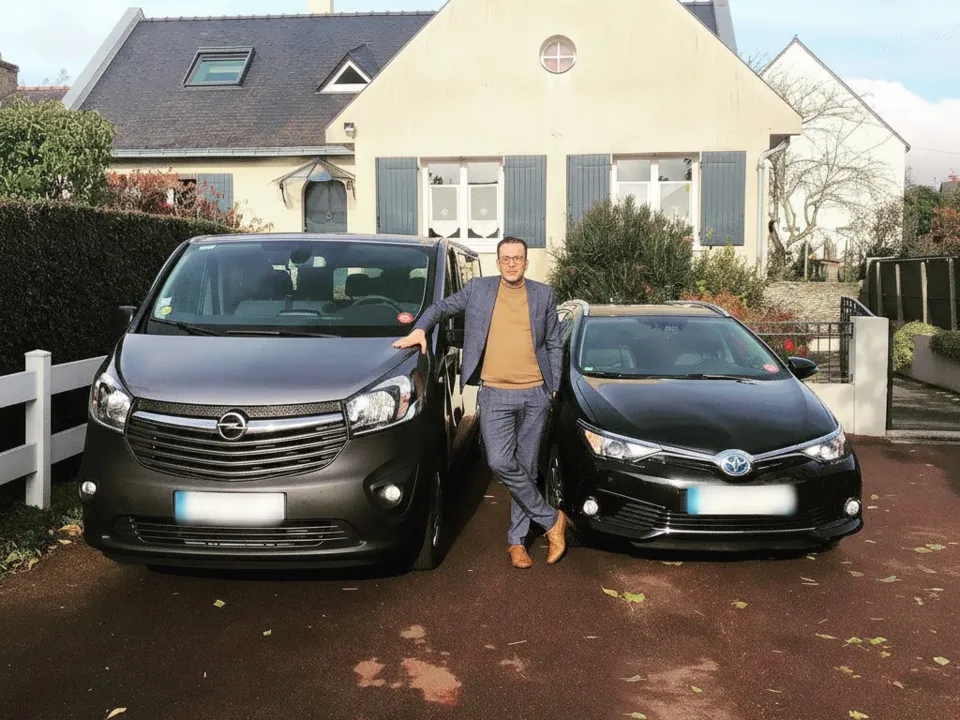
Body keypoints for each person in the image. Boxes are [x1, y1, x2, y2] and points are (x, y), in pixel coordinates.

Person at [393, 237, 568, 569]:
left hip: (535, 393)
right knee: (500, 462)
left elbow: (553, 342)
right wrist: (420, 330)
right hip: (495, 394)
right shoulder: (479, 289)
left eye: (518, 258)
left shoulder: (543, 295)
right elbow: (440, 308)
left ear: (526, 262)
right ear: (498, 262)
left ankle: (517, 541)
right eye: (506, 258)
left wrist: (553, 387)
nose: (512, 263)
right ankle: (551, 519)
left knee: (527, 468)